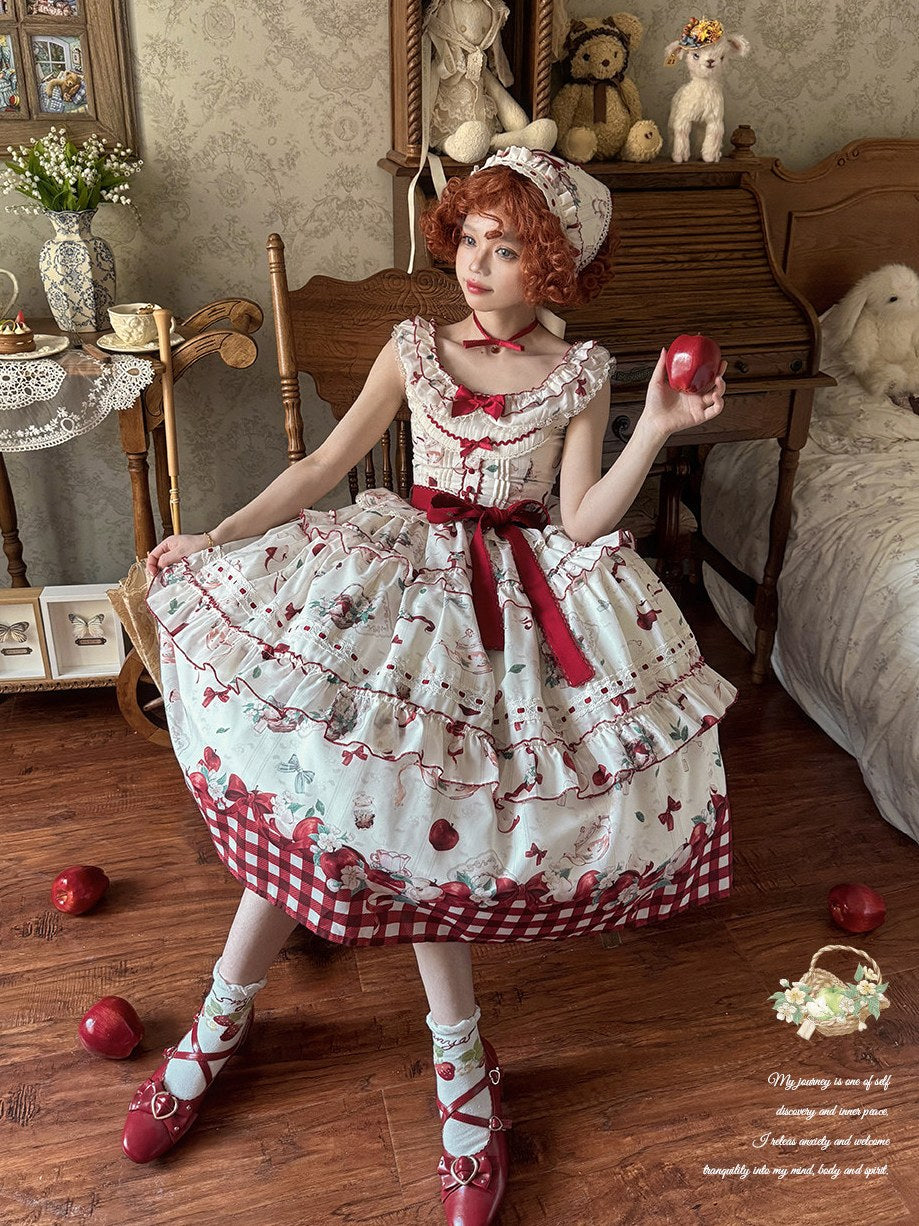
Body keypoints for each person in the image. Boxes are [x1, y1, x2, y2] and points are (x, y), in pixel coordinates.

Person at [126, 146, 735, 1226]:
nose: (477, 264)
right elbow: (322, 469)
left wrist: (653, 424)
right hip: (399, 594)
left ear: (551, 266)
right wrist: (216, 535)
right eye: (471, 239)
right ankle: (229, 1015)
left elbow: (580, 520)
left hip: (508, 615)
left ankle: (454, 1063)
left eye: (508, 249)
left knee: (416, 821)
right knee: (323, 800)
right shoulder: (414, 348)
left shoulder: (578, 371)